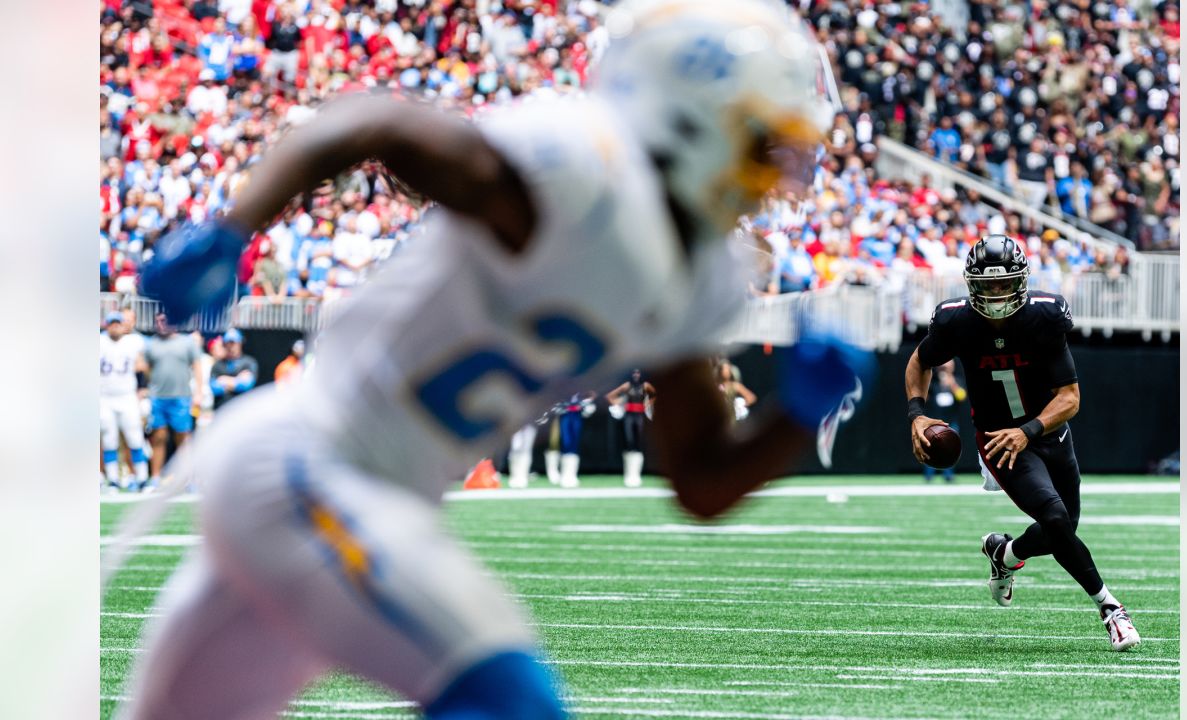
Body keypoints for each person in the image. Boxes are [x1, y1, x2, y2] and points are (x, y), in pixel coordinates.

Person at [126, 2, 866, 718]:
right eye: (759, 146)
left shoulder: (702, 274)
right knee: (508, 700)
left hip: (354, 493)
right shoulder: (584, 172)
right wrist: (231, 227)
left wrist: (796, 419)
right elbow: (373, 120)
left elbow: (700, 482)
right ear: (692, 118)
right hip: (309, 462)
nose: (774, 175)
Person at [904, 235, 1140, 652]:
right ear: (972, 284)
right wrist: (917, 413)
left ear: (1021, 281)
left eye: (1004, 284)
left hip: (1049, 433)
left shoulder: (1044, 317)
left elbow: (1070, 398)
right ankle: (1111, 610)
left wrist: (1029, 429)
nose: (996, 294)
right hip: (999, 440)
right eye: (988, 285)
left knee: (1061, 530)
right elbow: (921, 360)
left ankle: (1005, 553)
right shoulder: (956, 321)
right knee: (1054, 518)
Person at [144, 313, 204, 480]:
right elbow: (147, 369)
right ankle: (155, 477)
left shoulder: (187, 343)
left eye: (164, 320)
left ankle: (188, 479)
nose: (161, 324)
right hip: (158, 398)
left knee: (183, 439)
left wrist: (199, 393)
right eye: (158, 321)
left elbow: (197, 368)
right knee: (158, 437)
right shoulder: (151, 344)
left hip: (181, 398)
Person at [100, 312, 150, 491]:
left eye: (117, 323)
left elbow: (144, 363)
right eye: (111, 323)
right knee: (109, 439)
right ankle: (112, 479)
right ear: (106, 325)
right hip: (104, 397)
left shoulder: (134, 342)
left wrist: (143, 387)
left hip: (127, 396)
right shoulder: (99, 342)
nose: (115, 327)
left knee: (135, 438)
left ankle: (142, 478)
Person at [607, 369, 657, 487]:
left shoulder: (645, 385)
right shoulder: (627, 385)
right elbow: (610, 396)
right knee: (629, 442)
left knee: (638, 443)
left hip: (639, 415)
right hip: (629, 415)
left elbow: (654, 394)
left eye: (638, 373)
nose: (636, 375)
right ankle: (628, 475)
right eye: (634, 373)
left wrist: (648, 403)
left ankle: (636, 475)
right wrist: (618, 402)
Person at [920, 359, 965, 484]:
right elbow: (924, 397)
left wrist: (951, 383)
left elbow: (962, 397)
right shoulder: (933, 382)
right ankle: (928, 475)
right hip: (933, 422)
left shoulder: (957, 380)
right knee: (929, 448)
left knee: (950, 449)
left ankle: (948, 475)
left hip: (950, 422)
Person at [555, 392, 596, 489]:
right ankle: (565, 474)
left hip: (576, 415)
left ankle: (572, 474)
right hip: (565, 414)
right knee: (566, 442)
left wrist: (587, 404)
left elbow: (590, 396)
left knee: (575, 443)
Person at [208, 328, 257, 410]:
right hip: (221, 410)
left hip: (242, 411)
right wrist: (237, 380)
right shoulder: (217, 365)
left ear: (240, 343)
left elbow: (246, 385)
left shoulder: (249, 362)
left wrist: (224, 380)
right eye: (228, 343)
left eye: (233, 343)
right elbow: (214, 388)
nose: (231, 347)